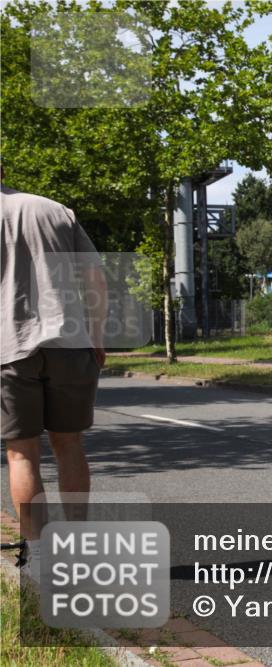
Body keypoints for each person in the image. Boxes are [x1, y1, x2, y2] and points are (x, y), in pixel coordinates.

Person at [1, 167, 106, 571]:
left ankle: (40, 560)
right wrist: (96, 335)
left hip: (8, 348)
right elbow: (95, 277)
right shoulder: (55, 211)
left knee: (22, 454)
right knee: (69, 445)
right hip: (70, 341)